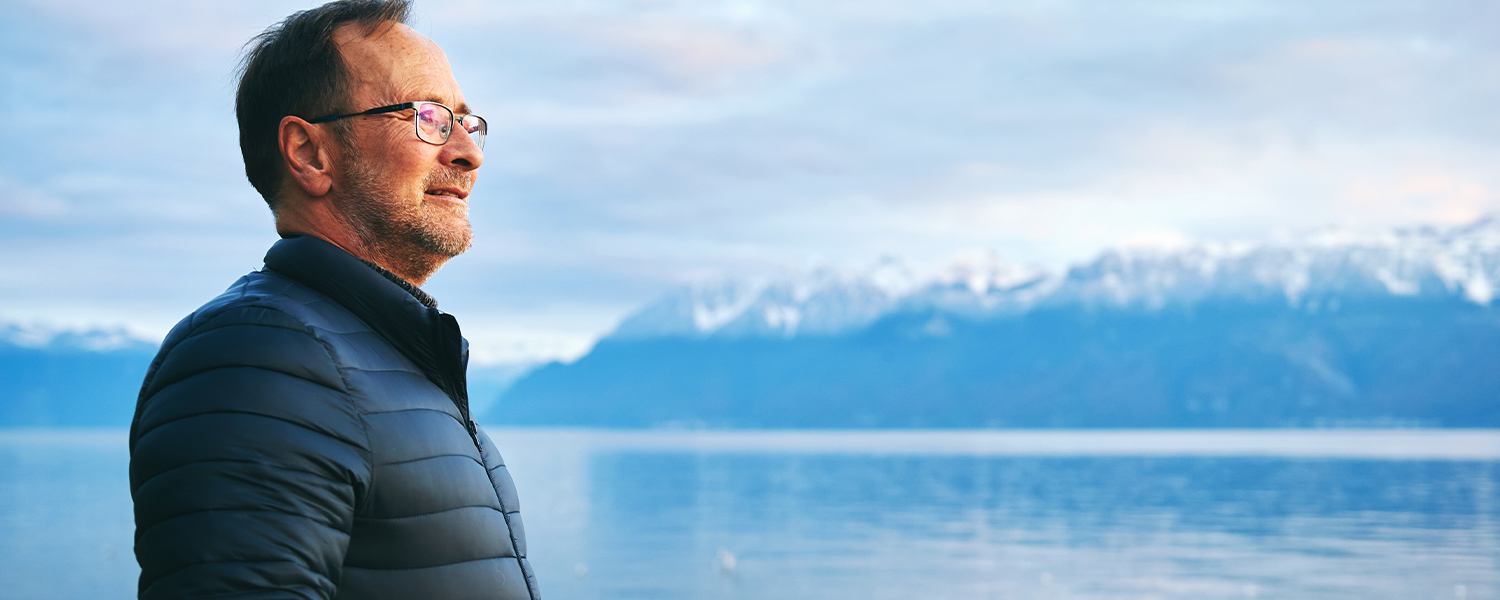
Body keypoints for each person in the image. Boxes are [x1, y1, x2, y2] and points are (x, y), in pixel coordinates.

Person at [128, 1, 539, 598]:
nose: (468, 153)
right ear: (308, 153)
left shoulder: (390, 359)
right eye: (427, 117)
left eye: (467, 123)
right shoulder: (259, 357)